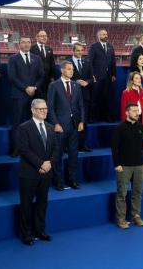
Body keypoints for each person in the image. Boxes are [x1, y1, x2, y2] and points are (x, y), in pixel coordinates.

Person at [16, 99, 60, 246]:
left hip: (46, 173)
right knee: (26, 205)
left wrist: (49, 164)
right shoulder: (24, 127)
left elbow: (56, 149)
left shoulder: (50, 127)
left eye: (45, 109)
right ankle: (26, 234)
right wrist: (41, 163)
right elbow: (24, 150)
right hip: (29, 173)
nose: (44, 111)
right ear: (33, 110)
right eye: (40, 109)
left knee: (42, 203)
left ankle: (40, 230)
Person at [47, 61, 86, 190]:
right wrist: (55, 123)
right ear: (62, 70)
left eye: (72, 69)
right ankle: (58, 181)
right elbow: (50, 107)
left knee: (73, 155)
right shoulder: (54, 85)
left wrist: (81, 121)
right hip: (60, 126)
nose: (71, 71)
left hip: (75, 125)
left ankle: (72, 180)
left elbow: (81, 105)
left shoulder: (76, 85)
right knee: (57, 155)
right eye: (69, 69)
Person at [112, 103, 143, 229]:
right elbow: (115, 148)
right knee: (122, 194)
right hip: (124, 167)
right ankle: (121, 219)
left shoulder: (141, 127)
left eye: (138, 111)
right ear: (127, 113)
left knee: (137, 192)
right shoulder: (120, 128)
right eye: (134, 111)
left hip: (139, 166)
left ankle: (136, 216)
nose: (137, 113)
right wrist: (117, 164)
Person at [8, 38, 44, 154]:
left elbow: (41, 76)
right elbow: (12, 77)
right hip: (19, 95)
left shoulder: (37, 58)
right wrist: (25, 88)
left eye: (28, 42)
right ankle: (17, 149)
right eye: (23, 42)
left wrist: (35, 87)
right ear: (19, 44)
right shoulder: (13, 58)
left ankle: (32, 148)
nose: (26, 44)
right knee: (18, 123)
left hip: (34, 95)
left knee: (34, 122)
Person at [67, 42, 92, 152]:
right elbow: (63, 77)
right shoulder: (67, 62)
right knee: (70, 121)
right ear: (73, 50)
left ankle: (82, 144)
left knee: (83, 121)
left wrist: (87, 82)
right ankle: (69, 146)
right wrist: (75, 82)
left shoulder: (87, 62)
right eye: (78, 50)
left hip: (85, 96)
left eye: (81, 50)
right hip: (71, 96)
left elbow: (91, 78)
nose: (80, 52)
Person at [88, 29, 117, 122]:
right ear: (99, 36)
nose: (105, 35)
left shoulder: (110, 47)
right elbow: (90, 62)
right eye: (103, 34)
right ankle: (93, 118)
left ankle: (107, 117)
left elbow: (113, 62)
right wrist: (92, 75)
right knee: (95, 98)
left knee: (107, 98)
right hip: (97, 77)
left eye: (106, 34)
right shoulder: (94, 47)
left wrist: (113, 74)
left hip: (108, 77)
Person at [31, 30, 55, 100]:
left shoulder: (49, 49)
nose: (44, 38)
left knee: (47, 99)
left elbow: (52, 64)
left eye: (45, 36)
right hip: (36, 80)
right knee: (37, 100)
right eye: (42, 36)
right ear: (37, 37)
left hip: (47, 80)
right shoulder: (32, 49)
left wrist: (52, 77)